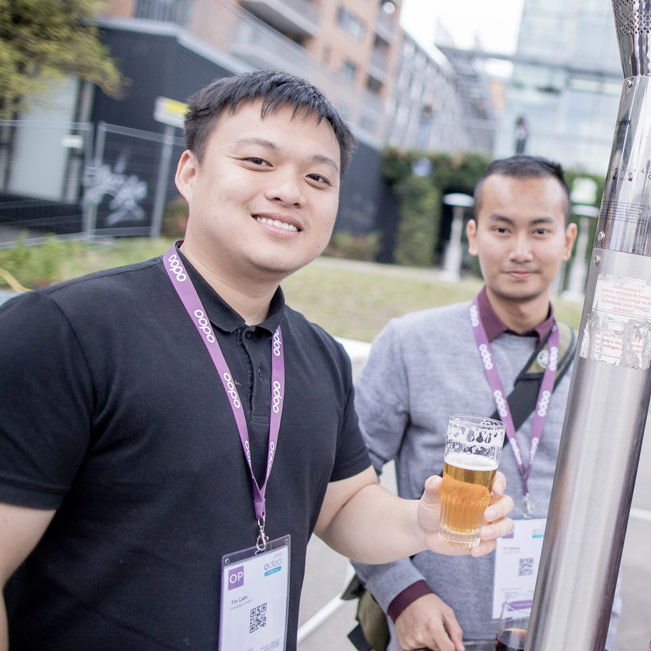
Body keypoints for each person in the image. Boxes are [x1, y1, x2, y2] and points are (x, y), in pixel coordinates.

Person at [0, 71, 514, 650]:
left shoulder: (320, 355)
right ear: (190, 172)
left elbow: (343, 506)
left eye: (318, 177)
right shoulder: (65, 331)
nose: (290, 191)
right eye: (258, 161)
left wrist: (421, 521)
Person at [352, 155, 620, 650]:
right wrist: (401, 595)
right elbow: (345, 483)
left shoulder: (596, 368)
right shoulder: (410, 344)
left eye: (540, 231)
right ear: (473, 235)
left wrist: (603, 622)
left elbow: (603, 516)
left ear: (568, 241)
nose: (520, 250)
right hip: (437, 638)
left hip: (554, 635)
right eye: (501, 229)